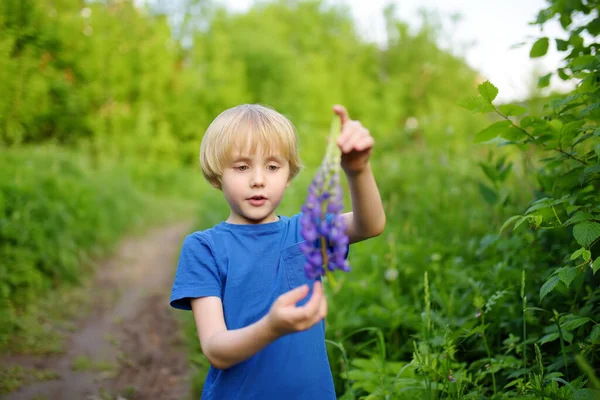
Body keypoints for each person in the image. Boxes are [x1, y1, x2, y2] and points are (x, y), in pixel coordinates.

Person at [170, 103, 386, 400]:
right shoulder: (204, 247)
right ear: (216, 175)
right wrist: (271, 327)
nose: (258, 179)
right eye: (242, 166)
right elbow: (215, 349)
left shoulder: (307, 231)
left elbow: (370, 224)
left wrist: (358, 170)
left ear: (288, 174)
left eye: (272, 167)